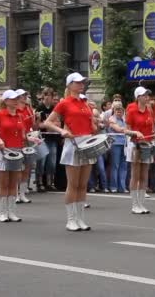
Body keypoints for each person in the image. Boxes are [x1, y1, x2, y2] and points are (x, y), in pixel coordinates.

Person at [44, 73, 96, 231]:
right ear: (69, 85)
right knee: (73, 184)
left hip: (87, 142)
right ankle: (71, 219)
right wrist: (62, 131)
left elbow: (91, 125)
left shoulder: (85, 103)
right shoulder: (64, 103)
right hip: (72, 143)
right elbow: (47, 122)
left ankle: (80, 219)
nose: (81, 84)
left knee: (82, 184)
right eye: (78, 82)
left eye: (82, 82)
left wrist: (96, 125)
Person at [0, 90, 41, 222]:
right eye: (13, 98)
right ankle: (3, 212)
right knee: (3, 184)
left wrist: (33, 139)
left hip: (17, 152)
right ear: (6, 101)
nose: (16, 100)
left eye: (17, 98)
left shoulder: (20, 116)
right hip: (3, 152)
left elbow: (22, 136)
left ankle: (12, 212)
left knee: (13, 184)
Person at [125, 86, 155, 214]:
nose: (147, 97)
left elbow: (151, 129)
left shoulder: (149, 110)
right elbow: (126, 129)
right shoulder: (131, 110)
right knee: (135, 175)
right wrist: (135, 132)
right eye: (144, 95)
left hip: (147, 144)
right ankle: (134, 204)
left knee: (144, 175)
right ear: (138, 97)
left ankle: (141, 204)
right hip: (135, 144)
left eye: (147, 95)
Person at [36, 88, 59, 192]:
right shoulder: (39, 108)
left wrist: (48, 124)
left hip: (52, 137)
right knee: (41, 161)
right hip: (42, 138)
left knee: (52, 162)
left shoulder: (55, 109)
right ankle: (40, 182)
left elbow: (58, 123)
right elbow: (38, 125)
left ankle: (50, 182)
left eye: (50, 96)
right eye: (47, 96)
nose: (48, 98)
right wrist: (48, 124)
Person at [15, 89, 35, 204]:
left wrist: (34, 118)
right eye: (22, 95)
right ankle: (16, 193)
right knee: (18, 167)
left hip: (28, 139)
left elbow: (33, 125)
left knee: (27, 167)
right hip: (18, 140)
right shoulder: (15, 110)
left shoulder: (28, 108)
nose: (24, 97)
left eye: (25, 95)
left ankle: (22, 193)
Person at [107, 102, 128, 193]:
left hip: (125, 144)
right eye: (117, 110)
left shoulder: (125, 119)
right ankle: (113, 186)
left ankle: (122, 187)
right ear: (114, 111)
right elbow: (118, 129)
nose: (119, 112)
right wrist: (127, 129)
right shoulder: (112, 119)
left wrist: (126, 129)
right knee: (115, 165)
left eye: (121, 110)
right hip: (115, 144)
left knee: (124, 166)